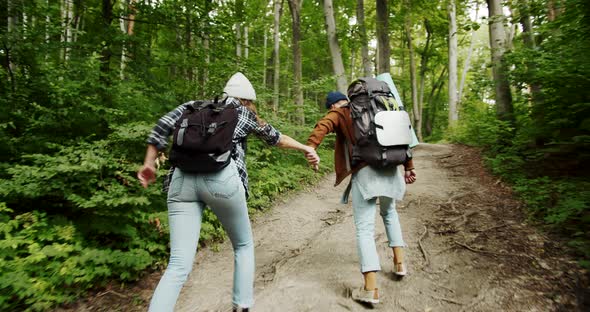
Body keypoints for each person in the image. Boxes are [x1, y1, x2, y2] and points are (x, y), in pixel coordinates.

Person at [137, 72, 320, 312]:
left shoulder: (191, 107)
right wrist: (305, 147)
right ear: (248, 99)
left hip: (181, 181)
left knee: (178, 265)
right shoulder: (244, 113)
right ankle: (241, 306)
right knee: (243, 246)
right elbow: (276, 138)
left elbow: (160, 128)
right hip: (222, 180)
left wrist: (149, 163)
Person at [305, 86, 417, 305]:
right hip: (391, 168)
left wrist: (311, 147)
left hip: (366, 174)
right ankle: (399, 264)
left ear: (331, 105)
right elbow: (402, 136)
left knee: (365, 229)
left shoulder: (339, 112)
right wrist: (409, 166)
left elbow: (323, 125)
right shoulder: (377, 108)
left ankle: (371, 289)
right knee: (390, 213)